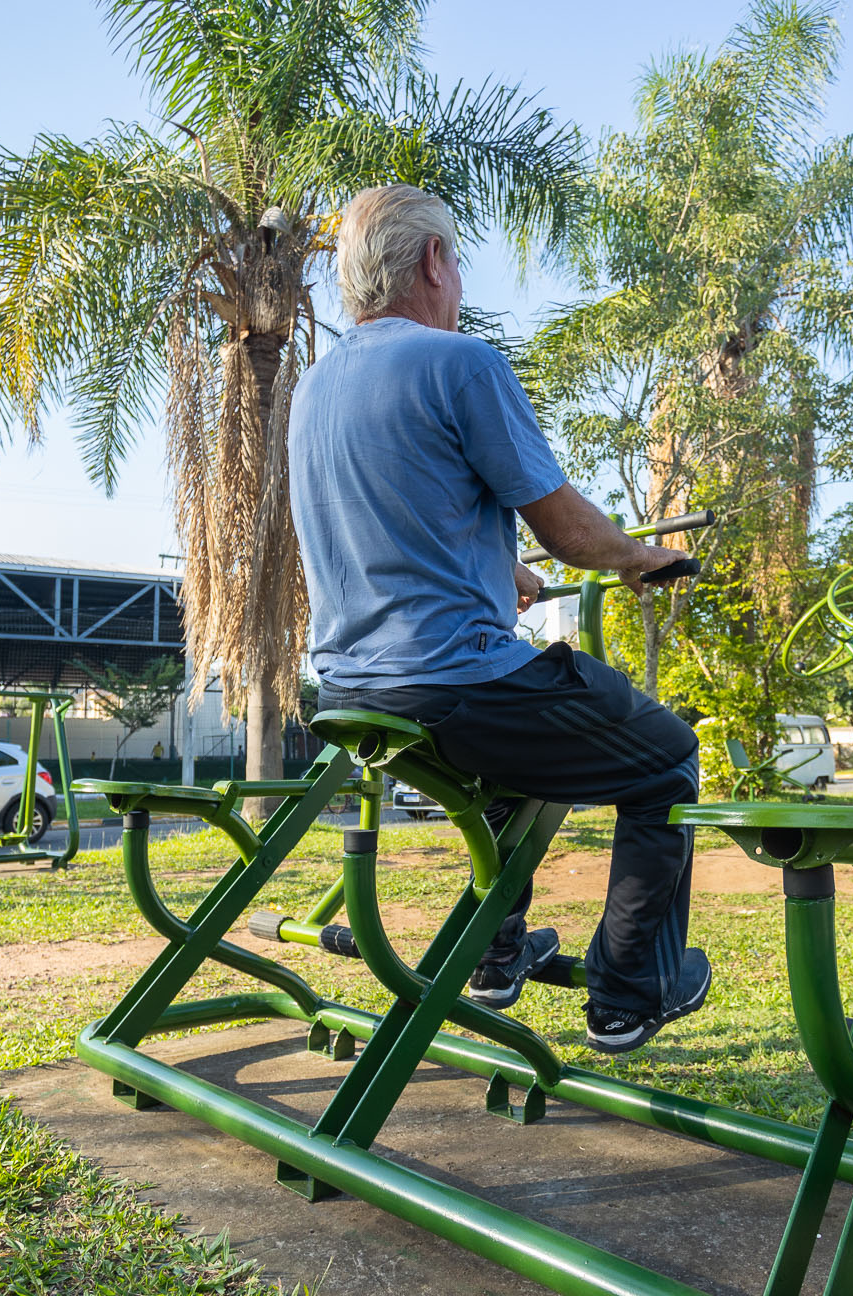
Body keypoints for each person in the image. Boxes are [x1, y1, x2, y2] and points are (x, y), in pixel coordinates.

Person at [289, 184, 707, 1056]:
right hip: (457, 684)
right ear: (434, 261)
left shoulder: (316, 388)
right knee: (666, 755)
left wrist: (497, 567)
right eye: (459, 263)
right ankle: (632, 990)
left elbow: (393, 515)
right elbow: (568, 527)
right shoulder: (460, 363)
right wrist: (641, 557)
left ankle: (493, 955)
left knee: (519, 772)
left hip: (356, 692)